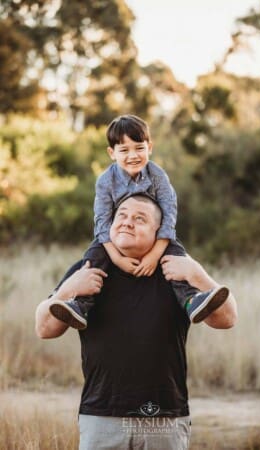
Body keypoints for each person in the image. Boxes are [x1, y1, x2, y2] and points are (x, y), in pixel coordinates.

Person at [36, 195, 237, 450]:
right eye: (122, 215)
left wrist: (198, 275)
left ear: (159, 232)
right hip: (101, 416)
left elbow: (228, 319)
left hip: (164, 417)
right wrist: (68, 290)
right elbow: (44, 329)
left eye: (139, 218)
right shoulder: (88, 268)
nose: (127, 222)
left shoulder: (177, 269)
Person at [49, 114, 229, 330]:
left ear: (149, 147)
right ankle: (79, 305)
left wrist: (155, 254)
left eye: (139, 148)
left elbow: (169, 214)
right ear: (111, 153)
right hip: (113, 239)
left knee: (176, 258)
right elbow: (102, 222)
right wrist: (116, 258)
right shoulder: (106, 181)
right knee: (92, 260)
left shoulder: (157, 175)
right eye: (124, 150)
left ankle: (192, 301)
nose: (132, 155)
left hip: (157, 236)